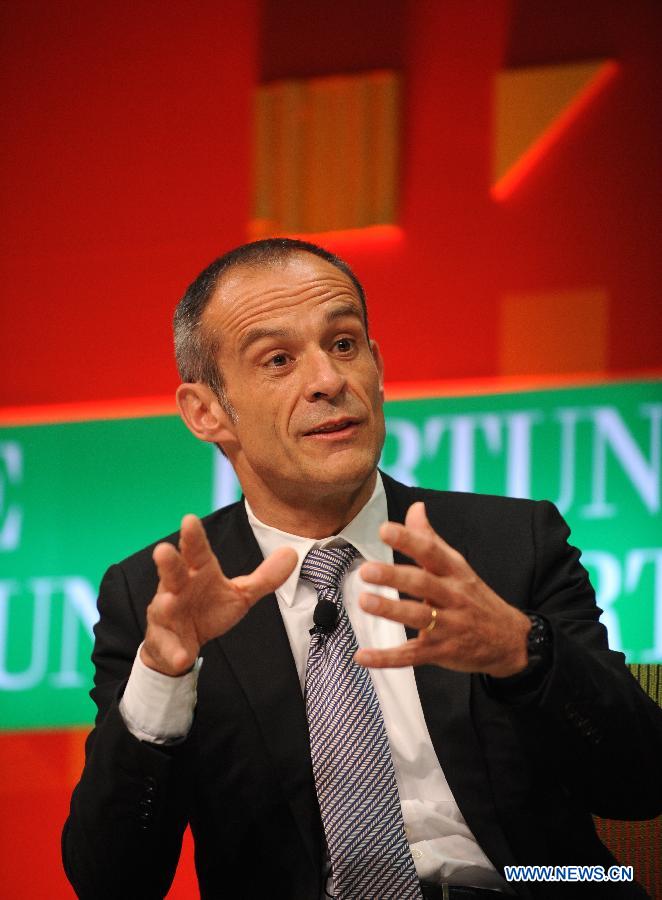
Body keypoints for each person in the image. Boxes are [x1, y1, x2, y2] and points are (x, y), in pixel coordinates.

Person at [63, 238, 662, 900]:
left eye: (344, 344)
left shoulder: (507, 544)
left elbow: (641, 783)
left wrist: (524, 652)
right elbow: (112, 882)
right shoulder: (158, 597)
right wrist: (164, 677)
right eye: (279, 360)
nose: (328, 380)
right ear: (206, 411)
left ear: (376, 366)